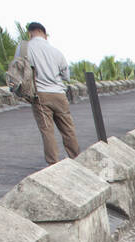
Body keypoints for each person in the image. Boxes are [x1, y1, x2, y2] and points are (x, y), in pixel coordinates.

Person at [17, 22, 79, 166]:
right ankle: (76, 159)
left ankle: (53, 164)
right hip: (59, 94)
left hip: (40, 95)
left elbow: (18, 68)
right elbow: (66, 76)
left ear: (30, 32)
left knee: (47, 131)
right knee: (68, 129)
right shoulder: (56, 51)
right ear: (43, 33)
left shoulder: (24, 48)